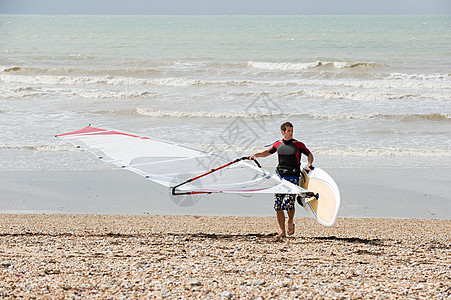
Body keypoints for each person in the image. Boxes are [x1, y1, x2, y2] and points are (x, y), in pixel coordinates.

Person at [249, 122, 313, 238]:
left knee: (288, 204)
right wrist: (255, 155)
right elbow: (267, 152)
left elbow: (309, 154)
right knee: (278, 205)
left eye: (292, 130)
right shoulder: (278, 144)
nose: (291, 133)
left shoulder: (298, 144)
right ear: (283, 132)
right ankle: (282, 232)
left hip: (293, 178)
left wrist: (309, 164)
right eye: (288, 131)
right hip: (279, 178)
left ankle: (290, 221)